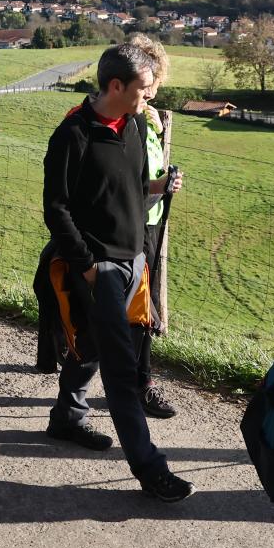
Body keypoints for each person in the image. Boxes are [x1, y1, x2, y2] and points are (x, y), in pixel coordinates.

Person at [41, 43, 192, 502]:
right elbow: (56, 210)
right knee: (123, 371)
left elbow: (127, 188)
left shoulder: (133, 125)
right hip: (99, 269)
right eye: (144, 88)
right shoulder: (73, 136)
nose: (150, 96)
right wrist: (87, 267)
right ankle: (151, 470)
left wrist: (159, 188)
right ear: (115, 86)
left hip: (134, 261)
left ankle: (67, 418)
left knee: (89, 345)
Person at [128, 34, 184, 420]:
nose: (154, 91)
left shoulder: (150, 119)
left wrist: (166, 181)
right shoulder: (127, 120)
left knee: (138, 310)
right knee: (138, 310)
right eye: (150, 85)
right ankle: (139, 386)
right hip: (129, 225)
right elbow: (125, 179)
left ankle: (135, 381)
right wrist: (160, 186)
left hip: (147, 219)